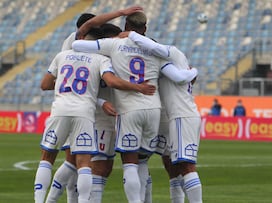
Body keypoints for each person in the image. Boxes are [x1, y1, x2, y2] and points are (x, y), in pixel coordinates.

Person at [73, 11, 198, 203]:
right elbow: (178, 76)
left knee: (130, 163)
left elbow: (77, 45)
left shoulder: (115, 44)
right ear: (145, 29)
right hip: (154, 110)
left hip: (129, 109)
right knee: (143, 161)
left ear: (125, 27)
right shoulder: (156, 53)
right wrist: (193, 72)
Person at [33, 27, 156, 203]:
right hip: (88, 115)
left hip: (61, 110)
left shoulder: (63, 55)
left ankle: (42, 200)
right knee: (86, 164)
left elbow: (45, 84)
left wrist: (68, 86)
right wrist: (139, 87)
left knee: (50, 158)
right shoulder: (101, 59)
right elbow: (112, 81)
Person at [45, 24, 123, 203]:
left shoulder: (90, 54)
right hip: (93, 117)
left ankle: (54, 200)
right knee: (92, 166)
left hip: (84, 114)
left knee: (79, 163)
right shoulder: (96, 56)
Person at [125, 30, 202, 203]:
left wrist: (130, 34)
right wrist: (194, 73)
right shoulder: (164, 62)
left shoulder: (166, 57)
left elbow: (180, 77)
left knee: (186, 165)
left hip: (181, 115)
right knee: (172, 165)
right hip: (170, 116)